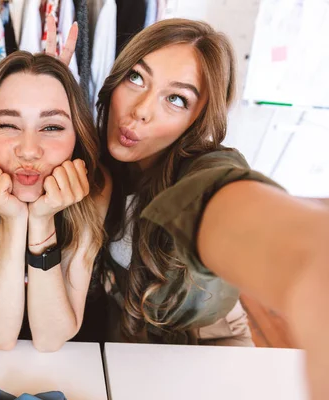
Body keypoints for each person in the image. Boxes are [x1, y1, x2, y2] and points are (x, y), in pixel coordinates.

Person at [94, 18, 329, 399]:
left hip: (204, 348)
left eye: (176, 99)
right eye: (136, 78)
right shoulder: (104, 161)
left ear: (198, 119)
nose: (140, 111)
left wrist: (309, 266)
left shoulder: (202, 171)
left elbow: (227, 205)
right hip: (125, 340)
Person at [0, 51, 111, 352]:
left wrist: (43, 219)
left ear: (78, 137)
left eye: (51, 127)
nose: (29, 150)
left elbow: (50, 338)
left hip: (73, 347)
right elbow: (0, 336)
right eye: (8, 125)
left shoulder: (95, 187)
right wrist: (13, 219)